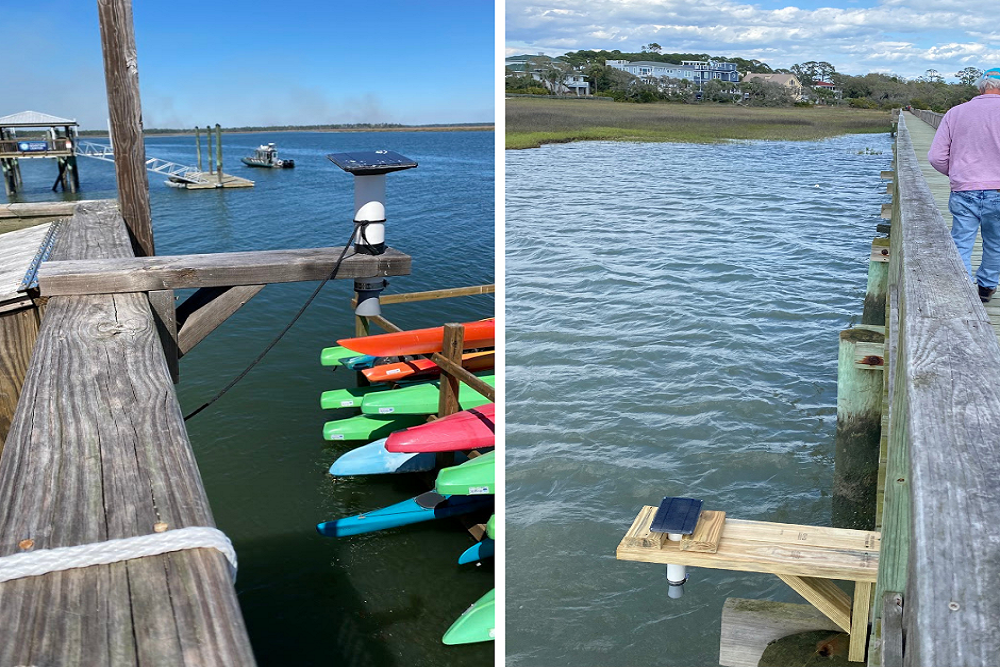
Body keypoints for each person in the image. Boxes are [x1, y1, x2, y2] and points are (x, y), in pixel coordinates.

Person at [928, 67, 1000, 302]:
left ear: (980, 86)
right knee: (996, 243)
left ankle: (961, 291)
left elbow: (936, 157)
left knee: (961, 241)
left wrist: (959, 173)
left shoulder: (956, 113)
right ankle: (986, 288)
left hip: (964, 189)